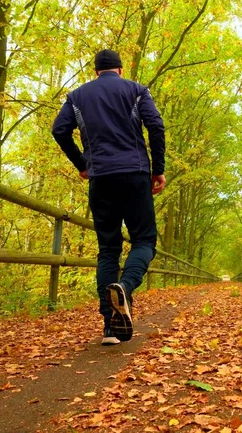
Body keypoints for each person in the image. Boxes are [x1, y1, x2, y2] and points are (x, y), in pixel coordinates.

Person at [52, 50, 166, 345]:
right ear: (119, 69)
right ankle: (125, 288)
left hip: (101, 178)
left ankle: (110, 328)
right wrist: (158, 170)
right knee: (143, 240)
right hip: (135, 174)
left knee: (108, 249)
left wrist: (82, 164)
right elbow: (155, 125)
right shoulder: (137, 90)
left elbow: (59, 130)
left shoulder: (77, 97)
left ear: (95, 71)